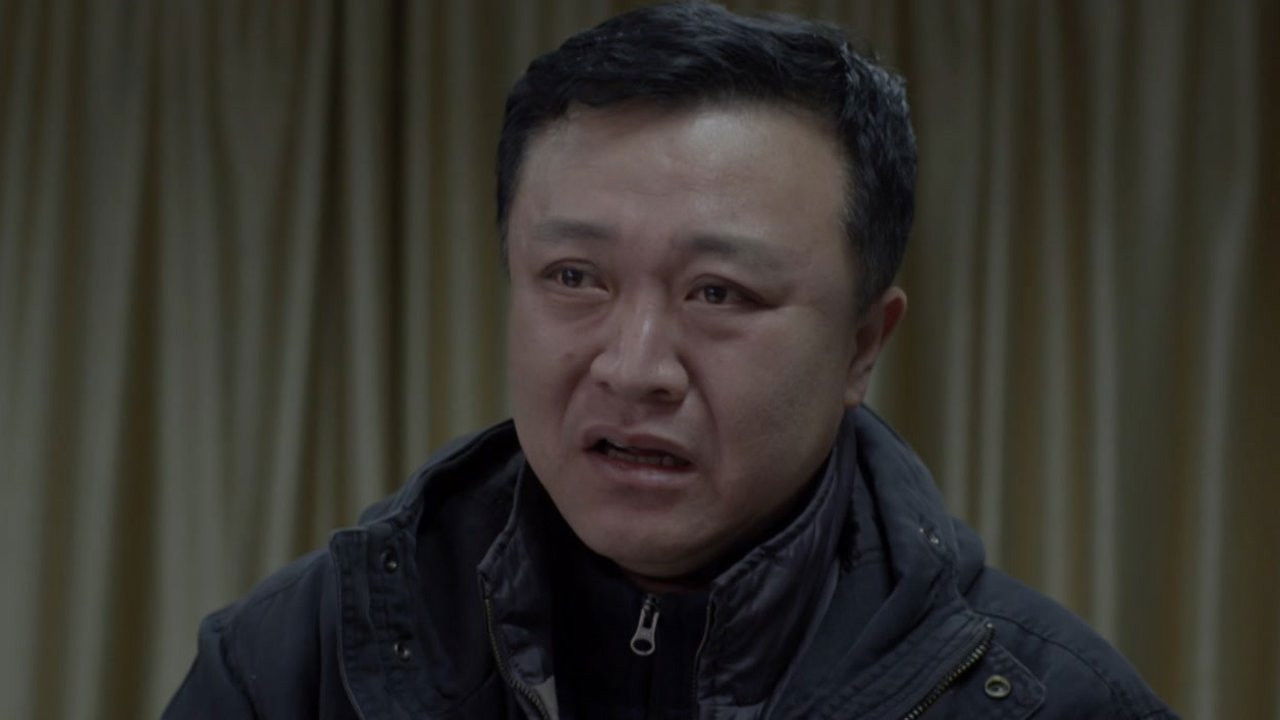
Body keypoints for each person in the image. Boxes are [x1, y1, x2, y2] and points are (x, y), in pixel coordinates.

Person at [166, 3, 1177, 718]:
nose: (634, 366)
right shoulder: (292, 668)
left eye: (717, 293)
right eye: (574, 277)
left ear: (862, 345)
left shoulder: (1050, 702)